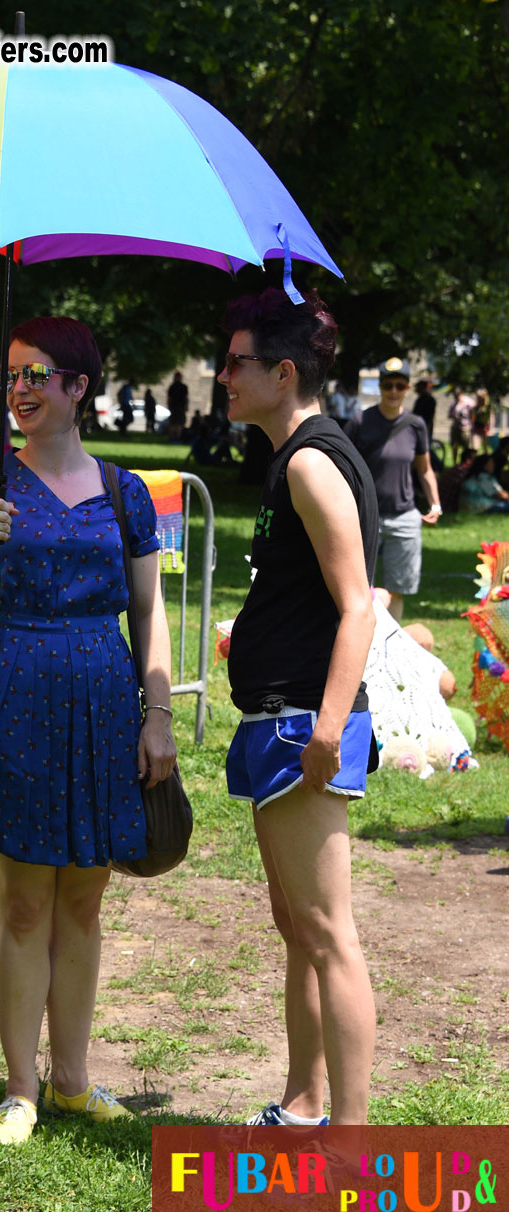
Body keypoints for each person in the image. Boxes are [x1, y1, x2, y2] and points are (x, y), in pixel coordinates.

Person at [0, 316, 176, 1145]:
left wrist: (157, 714)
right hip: (19, 687)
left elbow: (148, 613)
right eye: (11, 373)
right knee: (21, 904)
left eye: (39, 373)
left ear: (80, 386)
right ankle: (20, 1088)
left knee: (83, 900)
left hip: (106, 698)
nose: (21, 388)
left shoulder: (127, 492)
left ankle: (74, 1080)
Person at [220, 287, 379, 1127]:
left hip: (298, 727)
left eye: (238, 362)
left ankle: (350, 1144)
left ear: (284, 373)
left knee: (326, 933)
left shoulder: (314, 461)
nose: (223, 376)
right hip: (276, 718)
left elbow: (359, 603)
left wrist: (325, 724)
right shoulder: (297, 456)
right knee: (299, 927)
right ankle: (305, 1101)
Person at [345, 358, 441, 623]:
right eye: (388, 385)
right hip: (366, 518)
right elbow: (341, 469)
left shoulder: (416, 425)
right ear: (380, 387)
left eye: (400, 386)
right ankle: (364, 645)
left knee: (397, 590)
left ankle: (390, 646)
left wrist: (435, 505)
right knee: (359, 589)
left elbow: (424, 469)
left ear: (408, 388)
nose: (394, 391)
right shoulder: (359, 422)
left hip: (404, 518)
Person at [448, 387, 476, 464]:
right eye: (455, 396)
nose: (456, 398)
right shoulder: (453, 404)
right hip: (455, 427)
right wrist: (452, 415)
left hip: (465, 427)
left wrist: (472, 423)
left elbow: (474, 413)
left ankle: (466, 463)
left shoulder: (469, 402)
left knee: (466, 446)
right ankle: (454, 463)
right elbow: (449, 415)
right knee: (454, 446)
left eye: (457, 396)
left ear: (461, 394)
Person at [166, 370, 188, 441]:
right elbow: (186, 398)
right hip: (180, 407)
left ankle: (172, 438)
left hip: (174, 407)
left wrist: (169, 406)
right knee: (179, 423)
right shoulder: (183, 387)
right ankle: (177, 438)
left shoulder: (172, 387)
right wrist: (186, 406)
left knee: (173, 423)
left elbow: (169, 398)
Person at [472, 388, 494, 453]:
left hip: (484, 427)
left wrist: (490, 428)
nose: (478, 398)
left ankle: (485, 460)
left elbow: (491, 418)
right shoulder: (475, 407)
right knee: (475, 447)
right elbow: (473, 418)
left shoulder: (488, 406)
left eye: (479, 397)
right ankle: (474, 460)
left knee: (485, 447)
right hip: (476, 427)